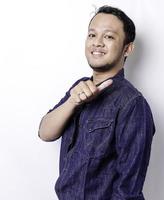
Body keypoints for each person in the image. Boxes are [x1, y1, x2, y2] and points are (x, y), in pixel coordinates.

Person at [38, 5, 155, 200]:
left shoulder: (132, 104)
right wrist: (72, 102)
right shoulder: (79, 88)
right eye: (92, 35)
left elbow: (128, 191)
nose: (97, 43)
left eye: (108, 36)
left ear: (128, 48)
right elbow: (44, 132)